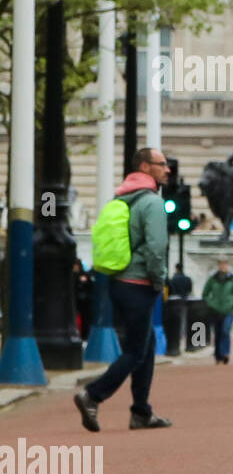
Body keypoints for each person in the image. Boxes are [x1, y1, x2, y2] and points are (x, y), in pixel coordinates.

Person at [74, 147, 173, 431]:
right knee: (135, 351)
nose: (167, 169)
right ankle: (93, 395)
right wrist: (158, 280)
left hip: (119, 282)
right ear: (144, 167)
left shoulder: (122, 198)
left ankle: (141, 411)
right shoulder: (152, 202)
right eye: (162, 164)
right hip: (140, 283)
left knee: (145, 345)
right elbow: (156, 248)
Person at [202, 258, 233, 365]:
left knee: (225, 331)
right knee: (218, 333)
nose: (223, 266)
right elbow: (205, 294)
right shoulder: (212, 279)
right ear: (218, 265)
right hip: (215, 310)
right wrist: (211, 303)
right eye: (221, 264)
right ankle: (218, 355)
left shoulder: (232, 279)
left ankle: (225, 353)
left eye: (225, 264)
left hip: (228, 310)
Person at [73, 259, 94, 339]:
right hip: (83, 301)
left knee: (84, 319)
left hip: (82, 301)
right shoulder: (83, 275)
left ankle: (84, 335)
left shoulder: (81, 275)